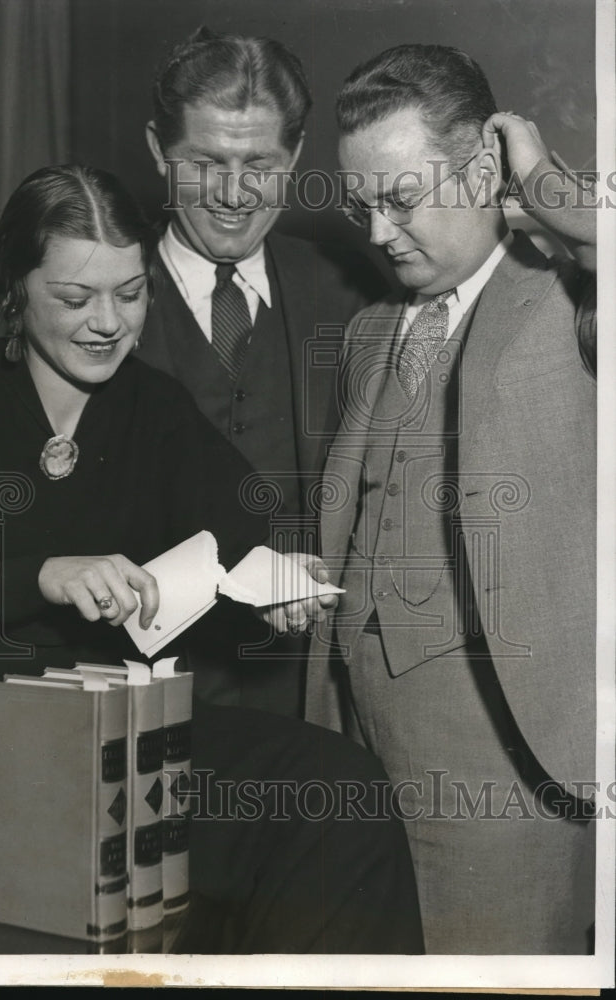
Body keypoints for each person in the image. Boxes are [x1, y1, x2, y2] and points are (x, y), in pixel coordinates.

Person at [0, 164, 423, 956]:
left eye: (132, 292)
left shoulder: (156, 407)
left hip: (129, 728)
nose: (108, 322)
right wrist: (42, 573)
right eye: (76, 299)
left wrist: (278, 583)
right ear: (13, 289)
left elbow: (245, 528)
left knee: (338, 792)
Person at [305, 44, 597, 954]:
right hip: (354, 746)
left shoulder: (570, 304)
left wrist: (546, 182)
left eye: (401, 199)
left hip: (506, 770)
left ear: (481, 170)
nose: (379, 233)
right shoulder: (367, 330)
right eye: (363, 207)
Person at [136, 27, 384, 719]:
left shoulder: (350, 290)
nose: (234, 194)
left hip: (314, 699)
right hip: (140, 695)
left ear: (297, 155)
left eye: (260, 164)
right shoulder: (91, 304)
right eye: (206, 162)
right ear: (158, 150)